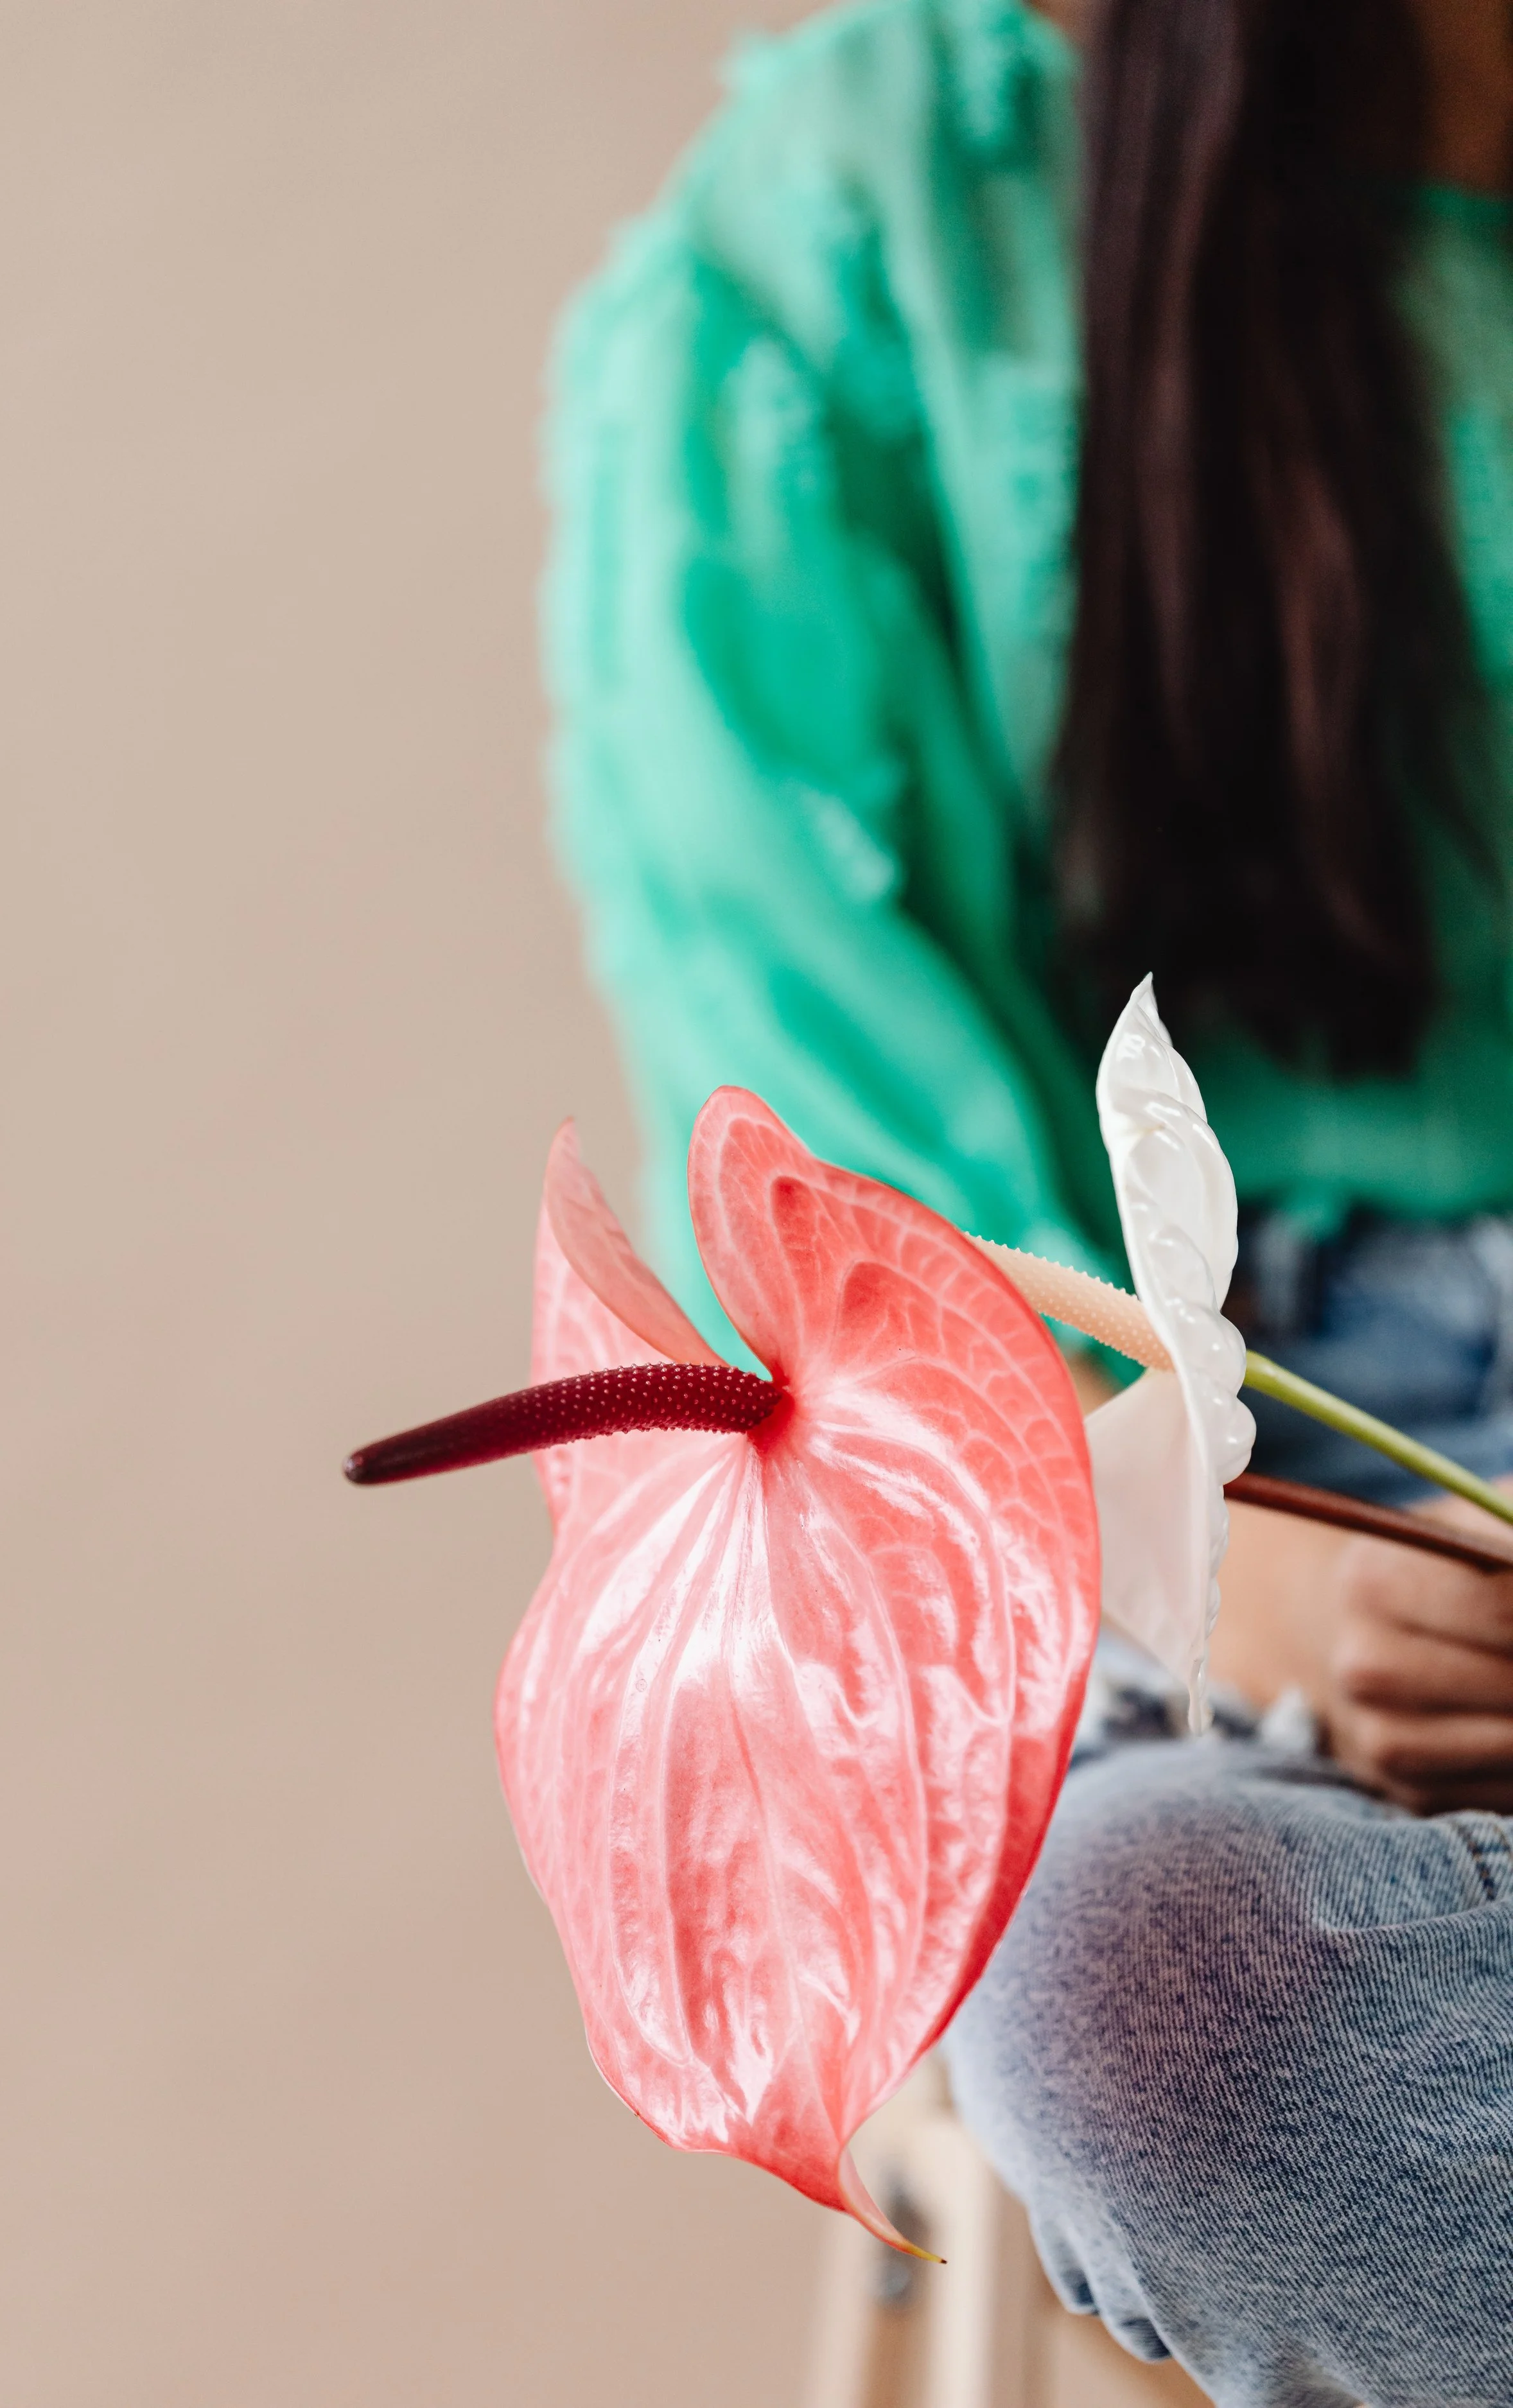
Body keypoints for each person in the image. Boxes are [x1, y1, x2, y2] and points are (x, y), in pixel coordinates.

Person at [545, 3, 1513, 2398]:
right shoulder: (832, 253)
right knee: (1153, 1985)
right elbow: (870, 1241)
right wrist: (1211, 1540)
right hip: (1204, 1534)